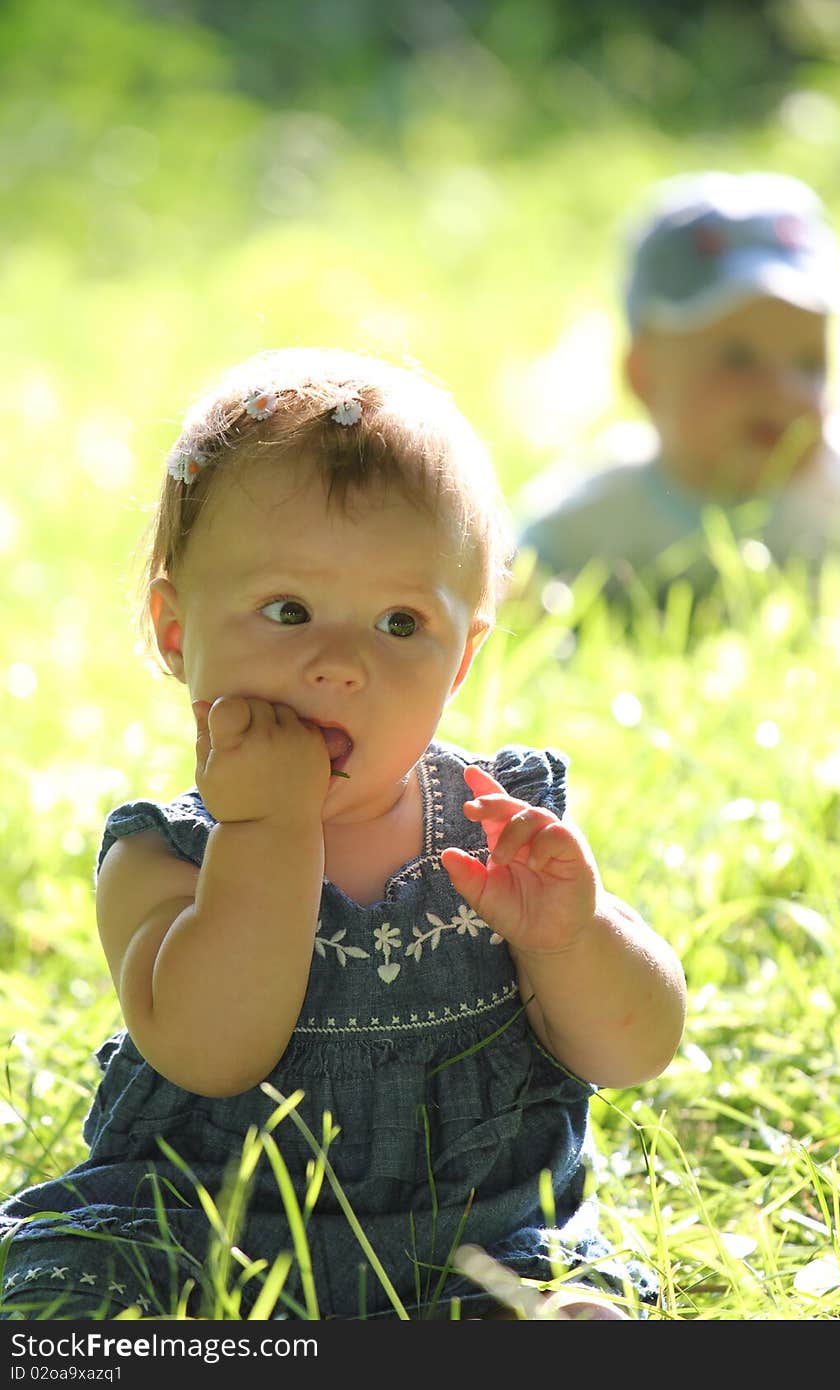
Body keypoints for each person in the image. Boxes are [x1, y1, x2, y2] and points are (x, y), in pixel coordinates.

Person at [0, 347, 685, 1322]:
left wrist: (574, 934)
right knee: (62, 1306)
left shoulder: (501, 828)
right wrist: (269, 827)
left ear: (460, 662)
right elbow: (214, 1050)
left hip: (476, 1235)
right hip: (190, 1224)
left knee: (570, 1309)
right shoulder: (160, 858)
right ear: (174, 629)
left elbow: (636, 1049)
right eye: (289, 611)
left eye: (400, 623)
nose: (340, 664)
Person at [519, 170, 840, 598]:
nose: (783, 391)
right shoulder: (601, 510)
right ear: (644, 376)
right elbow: (508, 573)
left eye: (808, 364)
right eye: (739, 359)